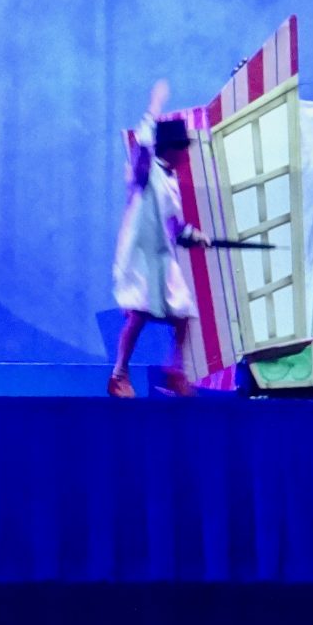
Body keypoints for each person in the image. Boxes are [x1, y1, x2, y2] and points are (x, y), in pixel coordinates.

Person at [109, 80, 210, 398]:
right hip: (139, 255)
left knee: (183, 312)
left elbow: (173, 225)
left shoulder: (171, 181)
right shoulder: (146, 171)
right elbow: (142, 144)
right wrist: (154, 105)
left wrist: (194, 236)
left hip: (161, 256)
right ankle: (118, 375)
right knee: (138, 313)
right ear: (171, 148)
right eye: (183, 148)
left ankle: (175, 372)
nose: (186, 154)